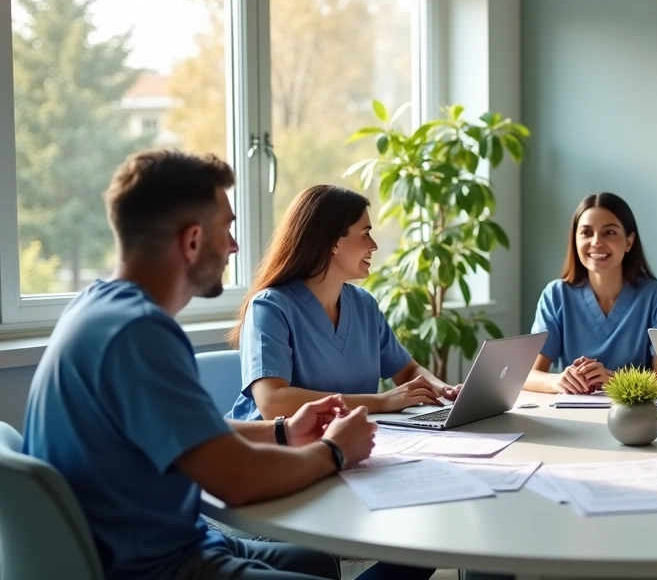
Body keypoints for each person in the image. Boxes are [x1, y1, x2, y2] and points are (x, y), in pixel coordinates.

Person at [21, 150, 431, 579]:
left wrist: (283, 431)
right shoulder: (140, 334)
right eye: (227, 229)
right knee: (403, 559)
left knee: (315, 562)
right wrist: (334, 451)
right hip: (152, 565)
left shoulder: (98, 308)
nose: (234, 245)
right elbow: (237, 480)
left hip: (177, 537)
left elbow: (192, 431)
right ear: (193, 240)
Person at [227, 185, 459, 422]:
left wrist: (446, 392)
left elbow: (408, 371)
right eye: (365, 233)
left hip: (350, 441)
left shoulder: (364, 305)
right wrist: (382, 401)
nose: (374, 245)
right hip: (273, 450)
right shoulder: (269, 308)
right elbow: (273, 402)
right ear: (333, 242)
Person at [523, 192, 657, 394]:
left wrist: (613, 380)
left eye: (609, 232)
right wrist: (558, 381)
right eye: (586, 233)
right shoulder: (556, 295)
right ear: (575, 240)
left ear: (629, 242)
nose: (596, 241)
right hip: (572, 415)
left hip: (635, 415)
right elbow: (528, 374)